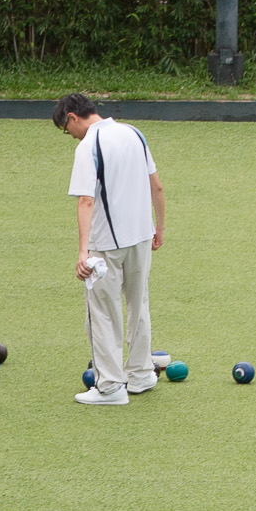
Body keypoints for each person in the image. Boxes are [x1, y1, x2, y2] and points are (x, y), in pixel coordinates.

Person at [56, 92, 164, 406]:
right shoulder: (134, 133)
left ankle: (111, 387)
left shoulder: (88, 145)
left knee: (102, 313)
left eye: (66, 129)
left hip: (106, 244)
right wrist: (159, 228)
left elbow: (85, 200)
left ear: (72, 117)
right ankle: (141, 375)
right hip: (141, 237)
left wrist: (83, 252)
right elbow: (157, 185)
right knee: (139, 305)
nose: (70, 135)